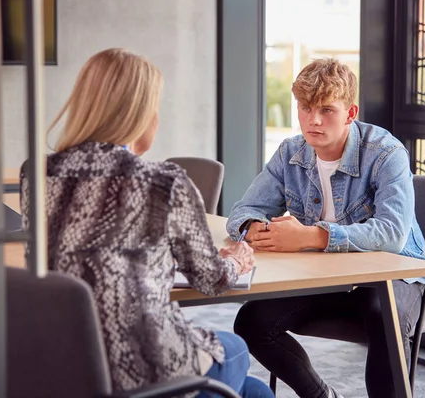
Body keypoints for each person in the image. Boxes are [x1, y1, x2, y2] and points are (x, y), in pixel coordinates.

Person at [20, 48, 273, 398]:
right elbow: (211, 279)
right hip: (142, 365)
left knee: (253, 391)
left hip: (64, 363)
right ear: (140, 113)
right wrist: (236, 260)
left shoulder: (37, 174)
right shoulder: (161, 181)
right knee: (236, 349)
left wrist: (150, 260)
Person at [227, 58, 425, 398]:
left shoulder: (385, 153)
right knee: (252, 322)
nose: (313, 120)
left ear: (350, 113)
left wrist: (312, 236)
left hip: (394, 274)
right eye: (305, 108)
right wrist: (252, 228)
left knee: (384, 318)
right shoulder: (291, 152)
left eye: (326, 110)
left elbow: (393, 233)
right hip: (329, 276)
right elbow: (244, 209)